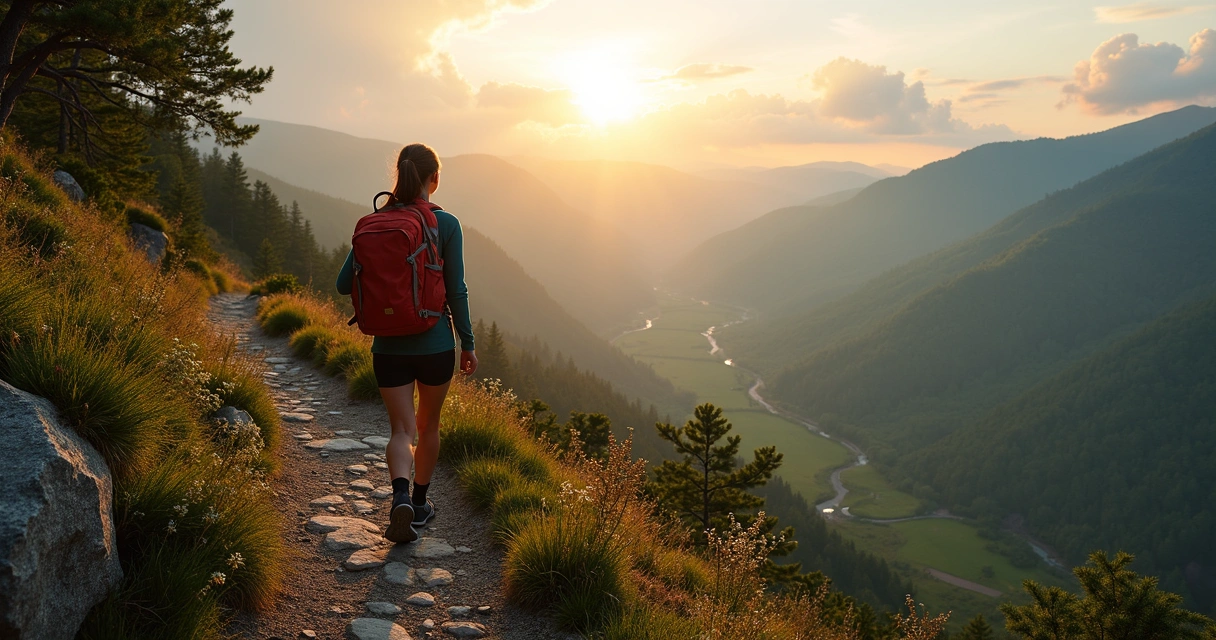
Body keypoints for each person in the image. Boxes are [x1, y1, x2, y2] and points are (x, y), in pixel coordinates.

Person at [336, 143, 477, 543]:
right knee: (428, 425)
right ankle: (418, 505)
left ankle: (398, 495)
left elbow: (343, 284)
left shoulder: (376, 222)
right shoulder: (446, 223)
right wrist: (467, 343)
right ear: (435, 178)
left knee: (401, 430)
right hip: (435, 345)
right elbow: (457, 290)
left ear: (399, 174)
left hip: (388, 349)